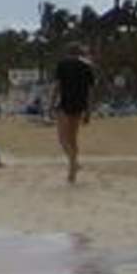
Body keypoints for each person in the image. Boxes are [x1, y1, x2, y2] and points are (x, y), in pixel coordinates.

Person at [53, 44, 96, 183]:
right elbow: (90, 91)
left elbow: (57, 86)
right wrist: (89, 111)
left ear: (68, 52)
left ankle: (73, 163)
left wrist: (51, 103)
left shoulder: (62, 64)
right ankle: (73, 167)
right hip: (79, 105)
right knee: (72, 138)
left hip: (65, 103)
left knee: (62, 139)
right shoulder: (87, 66)